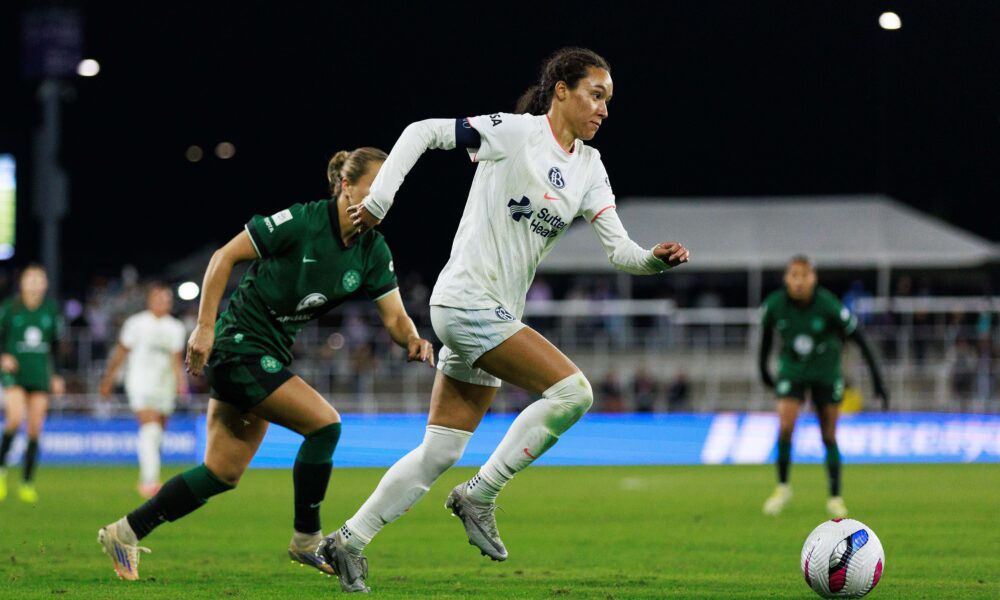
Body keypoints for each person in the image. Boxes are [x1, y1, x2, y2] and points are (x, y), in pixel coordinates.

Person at [318, 47, 689, 593]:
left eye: (609, 100)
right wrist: (380, 202)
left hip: (492, 314)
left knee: (439, 450)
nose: (605, 109)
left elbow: (621, 253)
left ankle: (346, 541)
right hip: (465, 301)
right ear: (560, 90)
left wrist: (653, 260)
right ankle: (480, 494)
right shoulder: (515, 133)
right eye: (596, 94)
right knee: (574, 393)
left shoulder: (589, 168)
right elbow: (421, 131)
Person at [96, 147, 435, 582]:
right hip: (238, 346)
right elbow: (223, 257)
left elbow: (394, 315)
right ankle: (307, 539)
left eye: (390, 190)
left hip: (267, 354)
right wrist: (204, 327)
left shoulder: (372, 249)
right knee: (325, 425)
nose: (382, 199)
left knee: (222, 472)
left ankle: (125, 532)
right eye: (374, 188)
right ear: (346, 187)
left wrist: (411, 339)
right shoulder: (302, 221)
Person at [758, 255, 888, 518]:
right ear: (786, 278)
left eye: (803, 276)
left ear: (813, 278)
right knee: (785, 426)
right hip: (792, 371)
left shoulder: (828, 304)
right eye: (793, 275)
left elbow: (859, 338)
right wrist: (764, 372)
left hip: (825, 373)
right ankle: (782, 488)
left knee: (828, 434)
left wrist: (877, 381)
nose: (798, 282)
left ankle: (835, 496)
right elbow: (765, 341)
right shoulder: (775, 305)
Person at [100, 283, 188, 498]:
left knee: (158, 432)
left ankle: (151, 473)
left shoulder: (176, 327)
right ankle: (149, 480)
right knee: (150, 428)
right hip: (139, 382)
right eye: (158, 298)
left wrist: (181, 383)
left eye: (166, 299)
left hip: (164, 384)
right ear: (150, 300)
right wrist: (108, 380)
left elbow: (176, 359)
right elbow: (121, 352)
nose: (162, 303)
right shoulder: (135, 324)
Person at [0, 265, 64, 504]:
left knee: (35, 428)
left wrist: (56, 375)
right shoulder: (10, 307)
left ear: (45, 283)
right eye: (31, 278)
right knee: (15, 418)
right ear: (22, 282)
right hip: (14, 374)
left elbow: (57, 347)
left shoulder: (50, 310)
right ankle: (2, 469)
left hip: (39, 374)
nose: (35, 283)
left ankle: (27, 482)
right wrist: (3, 356)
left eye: (40, 279)